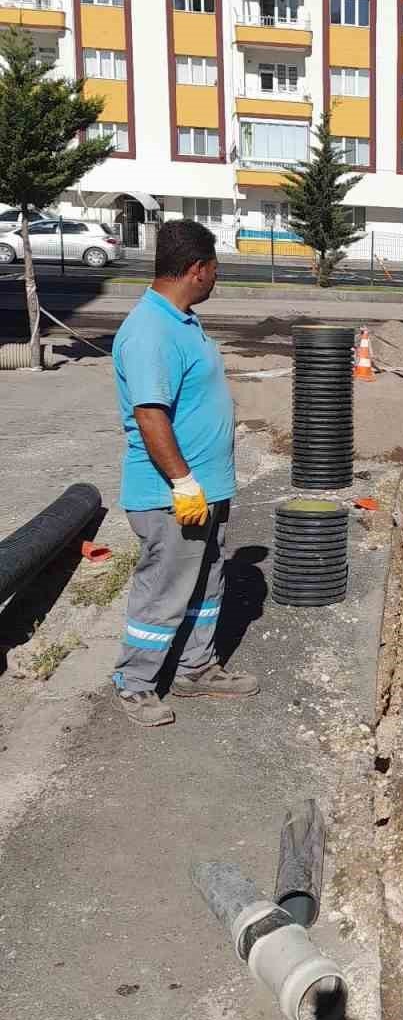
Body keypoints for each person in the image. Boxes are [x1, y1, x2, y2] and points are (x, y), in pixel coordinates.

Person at [109, 219, 259, 726]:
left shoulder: (181, 319)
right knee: (164, 591)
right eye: (215, 269)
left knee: (206, 583)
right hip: (172, 495)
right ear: (197, 269)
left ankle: (196, 667)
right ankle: (135, 684)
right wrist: (182, 481)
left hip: (204, 491)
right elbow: (150, 415)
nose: (217, 278)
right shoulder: (150, 331)